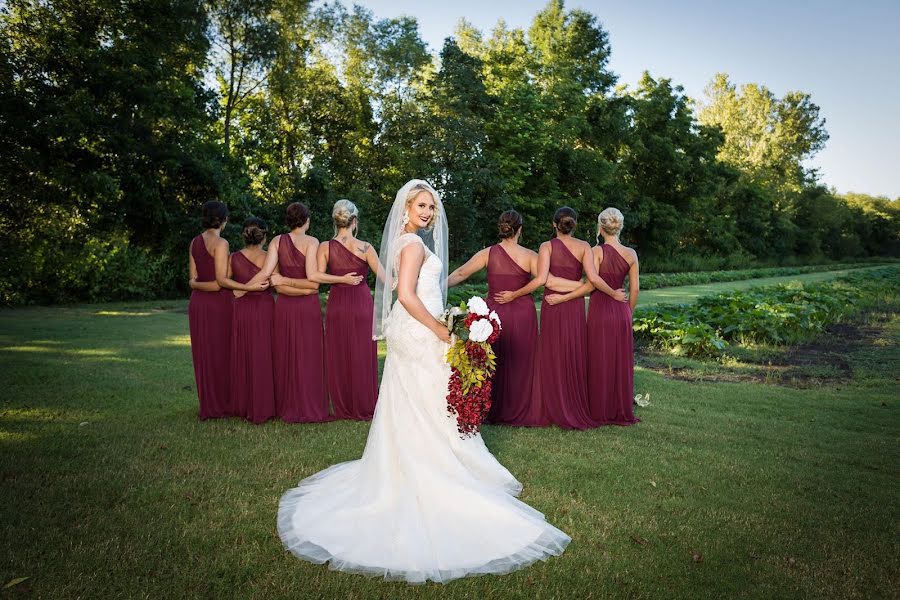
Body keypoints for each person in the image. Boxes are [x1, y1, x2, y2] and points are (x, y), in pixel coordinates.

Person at [277, 180, 570, 584]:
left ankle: (412, 464)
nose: (429, 212)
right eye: (421, 206)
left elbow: (407, 292)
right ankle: (430, 473)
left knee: (419, 401)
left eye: (431, 206)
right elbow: (409, 295)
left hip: (416, 328)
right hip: (419, 328)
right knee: (428, 400)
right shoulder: (412, 245)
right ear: (407, 208)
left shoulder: (403, 240)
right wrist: (439, 328)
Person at [244, 202, 361, 422]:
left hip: (285, 306)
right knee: (309, 355)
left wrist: (241, 289)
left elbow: (268, 274)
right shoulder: (312, 242)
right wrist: (303, 288)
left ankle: (286, 404)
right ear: (307, 221)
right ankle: (310, 405)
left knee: (285, 353)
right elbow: (311, 282)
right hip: (307, 306)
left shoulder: (278, 241)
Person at [530, 207, 626, 429]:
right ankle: (570, 404)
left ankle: (551, 406)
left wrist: (564, 295)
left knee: (553, 352)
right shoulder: (584, 247)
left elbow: (548, 281)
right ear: (574, 225)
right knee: (571, 351)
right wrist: (583, 288)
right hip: (573, 305)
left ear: (554, 224)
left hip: (553, 303)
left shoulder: (546, 247)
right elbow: (592, 282)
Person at [448, 210, 539, 425]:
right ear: (520, 230)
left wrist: (435, 285)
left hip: (495, 314)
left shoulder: (487, 253)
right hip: (523, 314)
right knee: (522, 360)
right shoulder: (531, 256)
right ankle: (520, 408)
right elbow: (543, 280)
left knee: (492, 360)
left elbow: (461, 273)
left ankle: (491, 408)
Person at [549, 208, 640, 425]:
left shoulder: (596, 252)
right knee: (619, 360)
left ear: (600, 228)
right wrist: (629, 311)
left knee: (598, 358)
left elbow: (592, 283)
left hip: (600, 309)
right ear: (620, 227)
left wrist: (563, 297)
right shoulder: (631, 254)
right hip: (621, 310)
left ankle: (598, 409)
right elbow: (635, 290)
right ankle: (619, 408)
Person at [318, 200, 381, 420]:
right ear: (354, 221)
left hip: (338, 302)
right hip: (362, 303)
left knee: (339, 352)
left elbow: (316, 276)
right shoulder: (365, 247)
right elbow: (385, 278)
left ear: (336, 221)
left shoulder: (325, 247)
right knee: (361, 352)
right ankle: (364, 403)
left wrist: (339, 279)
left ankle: (343, 406)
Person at [188, 201, 234, 419]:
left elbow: (193, 279)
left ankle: (210, 402)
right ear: (223, 219)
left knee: (205, 353)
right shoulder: (221, 243)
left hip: (197, 303)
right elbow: (219, 283)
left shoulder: (194, 242)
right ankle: (220, 404)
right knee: (219, 352)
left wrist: (195, 285)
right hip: (217, 304)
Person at [228, 218, 276, 423]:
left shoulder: (234, 257)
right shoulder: (270, 257)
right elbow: (274, 280)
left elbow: (226, 280)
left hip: (243, 309)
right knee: (264, 353)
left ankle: (245, 403)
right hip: (264, 307)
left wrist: (241, 288)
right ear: (264, 237)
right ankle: (265, 404)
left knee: (245, 352)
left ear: (244, 235)